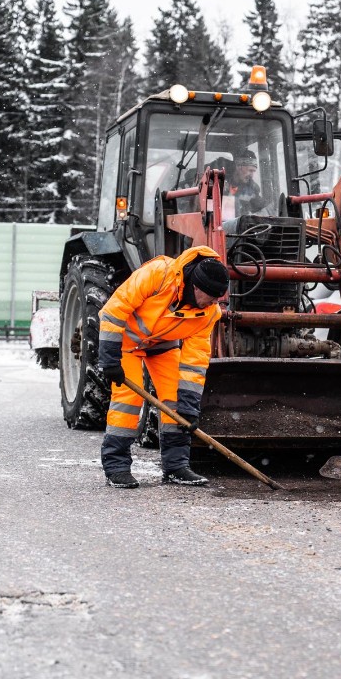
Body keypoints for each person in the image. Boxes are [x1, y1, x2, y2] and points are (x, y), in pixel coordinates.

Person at [97, 246, 229, 489]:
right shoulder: (159, 274)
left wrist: (189, 407)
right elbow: (114, 311)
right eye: (211, 298)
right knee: (129, 399)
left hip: (161, 345)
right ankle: (117, 467)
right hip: (125, 343)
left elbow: (195, 362)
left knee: (175, 401)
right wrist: (109, 360)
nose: (214, 303)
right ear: (197, 287)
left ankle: (176, 467)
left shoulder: (208, 313)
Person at [226, 148, 265, 218]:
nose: (252, 175)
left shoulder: (252, 189)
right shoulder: (221, 184)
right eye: (250, 170)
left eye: (254, 171)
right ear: (238, 167)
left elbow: (261, 210)